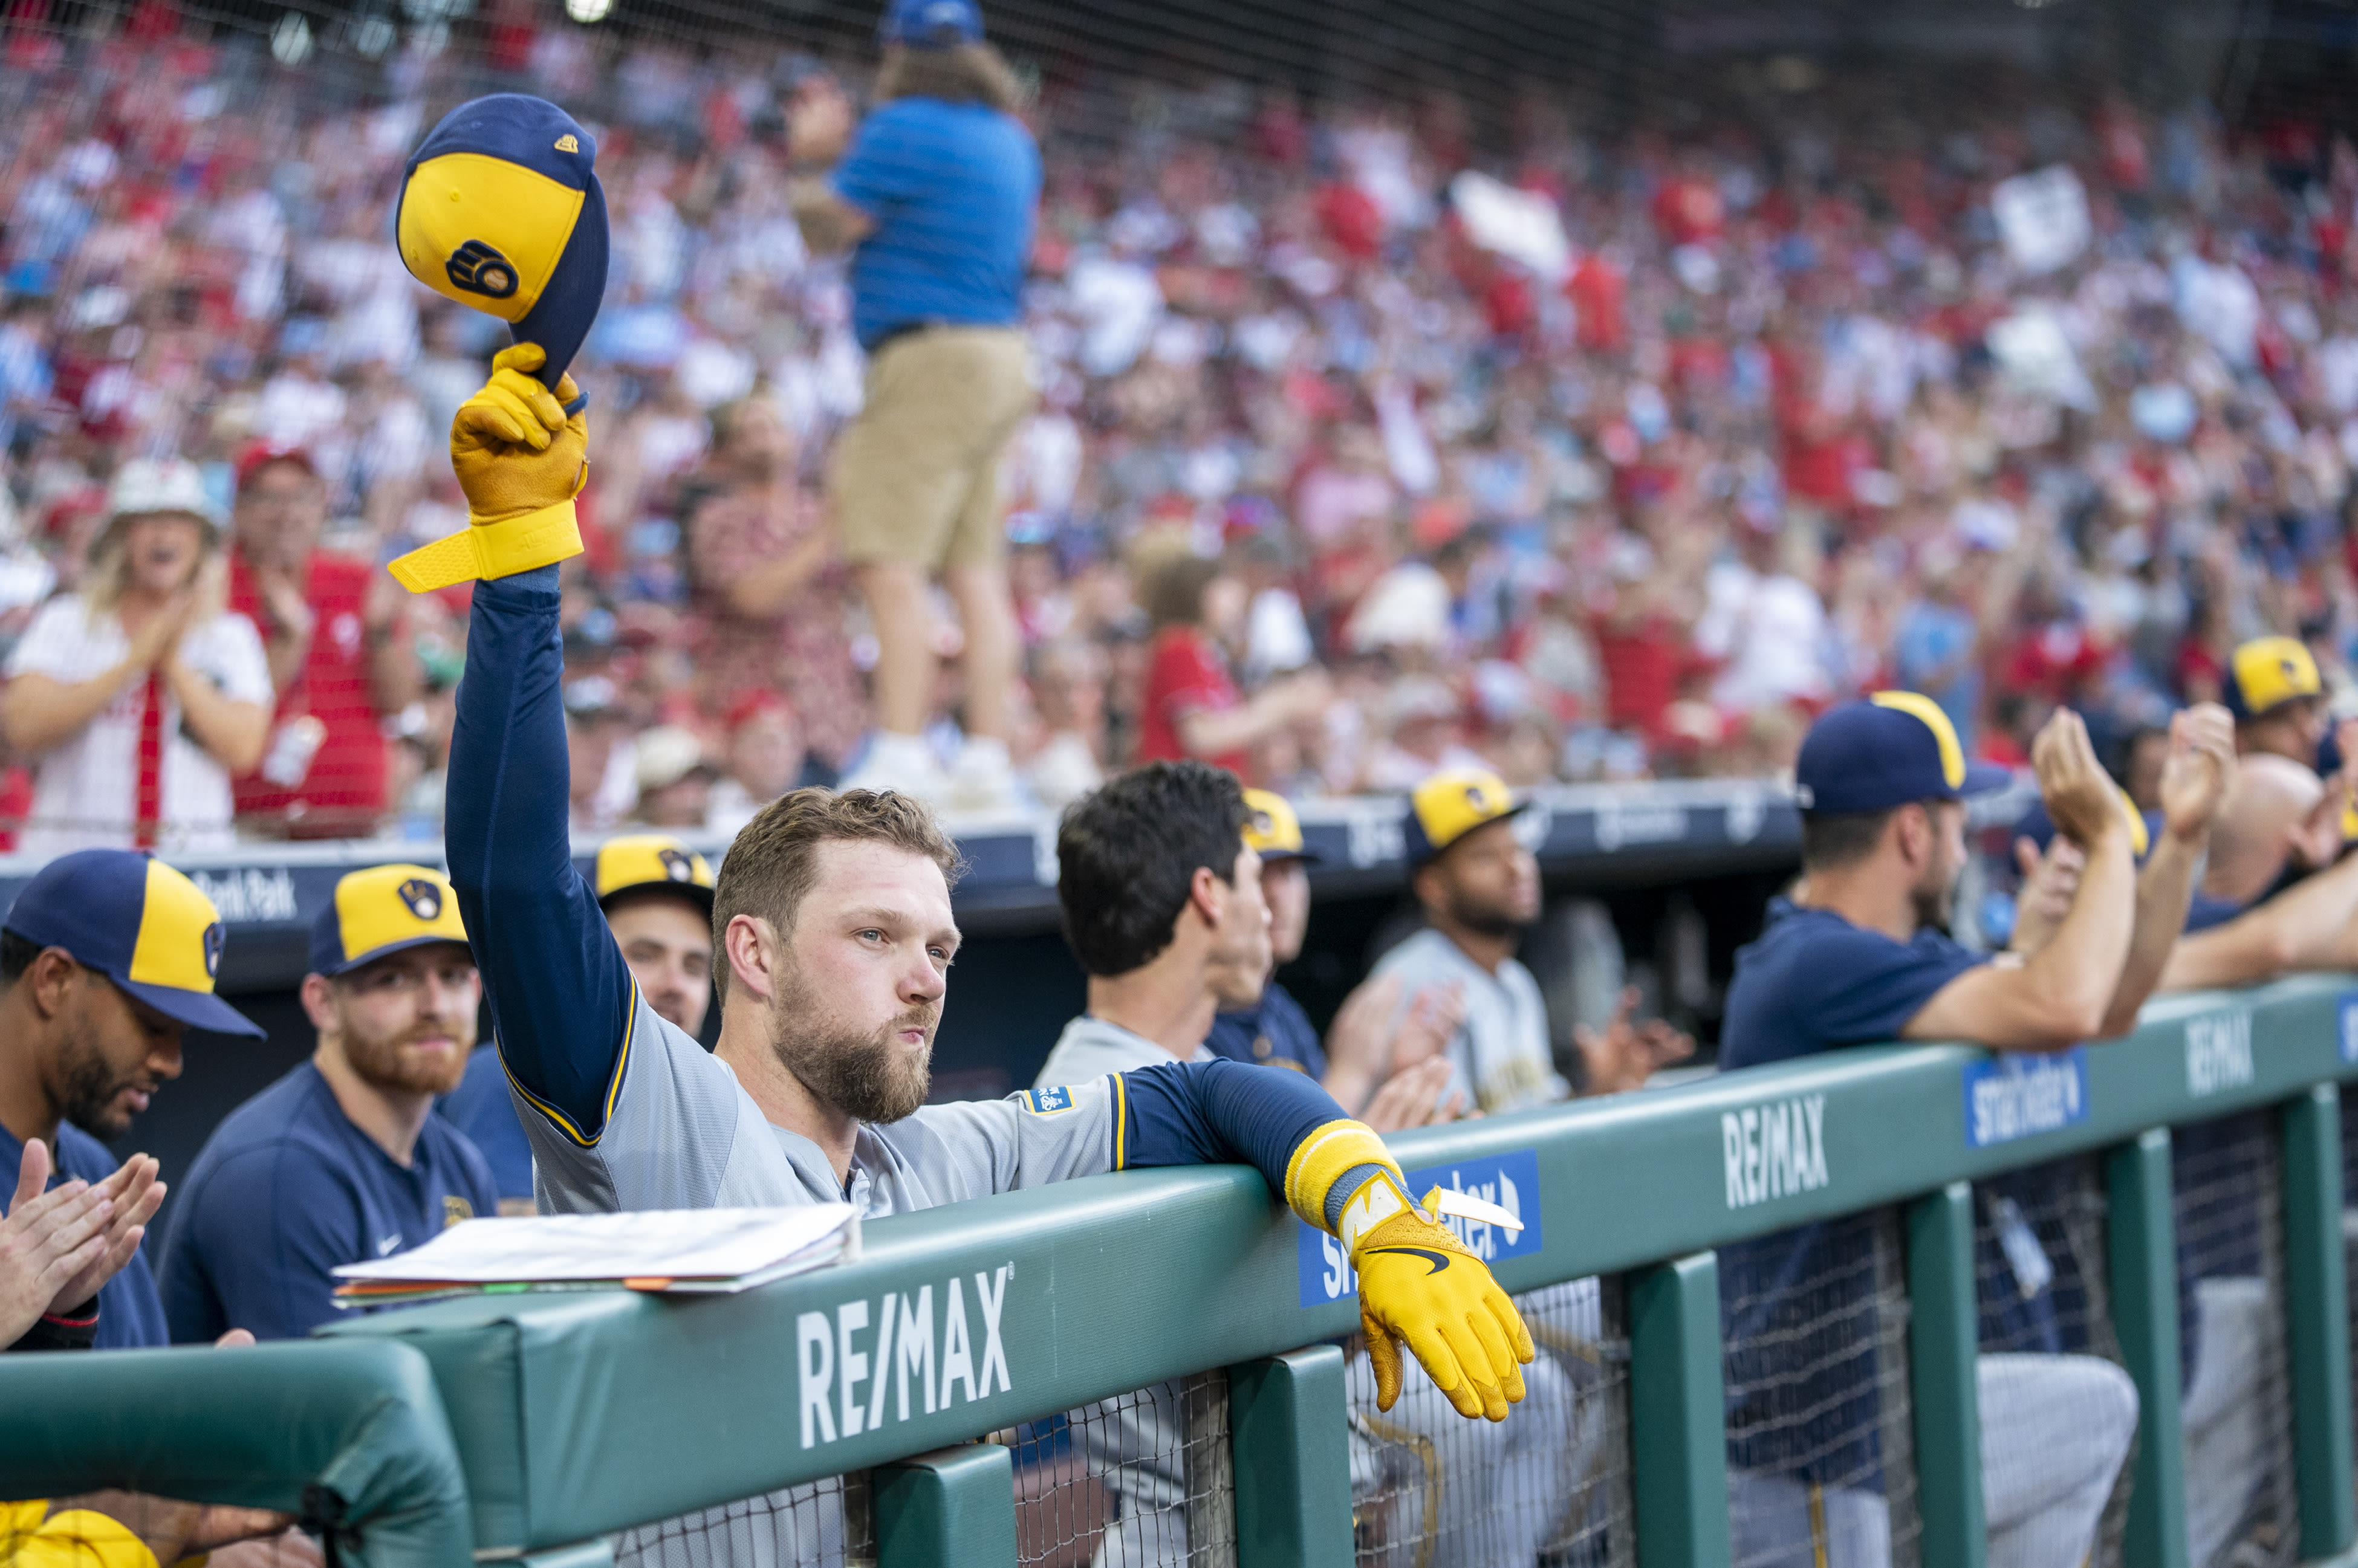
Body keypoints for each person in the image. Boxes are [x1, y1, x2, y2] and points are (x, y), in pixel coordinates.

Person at [427, 352, 1530, 1519]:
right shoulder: (661, 1118)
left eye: (942, 950)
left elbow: (1206, 1095)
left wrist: (1380, 1215)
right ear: (752, 954)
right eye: (876, 934)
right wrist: (519, 559)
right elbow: (512, 880)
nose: (923, 978)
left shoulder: (941, 1155)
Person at [1032, 765, 1577, 1568]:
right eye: (1259, 876)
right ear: (1212, 895)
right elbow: (1224, 1352)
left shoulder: (1193, 1078)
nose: (1273, 905)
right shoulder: (1097, 1102)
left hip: (1264, 1511)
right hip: (1197, 1534)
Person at [1715, 693, 2208, 1567]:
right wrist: (2103, 840)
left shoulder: (1888, 952)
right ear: (1913, 831)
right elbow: (2066, 1000)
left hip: (1858, 1414)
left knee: (2089, 1410)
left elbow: (2112, 1001)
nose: (1963, 841)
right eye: (1955, 818)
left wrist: (2175, 843)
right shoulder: (1815, 958)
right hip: (1796, 1446)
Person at [785, 0, 1041, 810]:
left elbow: (828, 230)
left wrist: (810, 159)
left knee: (887, 559)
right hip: (1000, 354)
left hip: (930, 357)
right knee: (974, 568)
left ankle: (901, 751)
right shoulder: (1009, 133)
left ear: (896, 51)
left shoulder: (902, 125)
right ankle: (986, 757)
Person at [158, 864, 493, 1343]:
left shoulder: (461, 1164)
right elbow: (325, 1409)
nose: (435, 1005)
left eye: (454, 976)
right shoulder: (280, 1170)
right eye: (395, 980)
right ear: (323, 1004)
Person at [0, 848, 264, 1347]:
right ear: (54, 980)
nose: (171, 1062)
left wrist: (182, 1414)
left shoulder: (96, 1169)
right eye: (153, 1026)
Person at [1371, 767, 1694, 1113]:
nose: (1516, 868)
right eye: (1485, 856)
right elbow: (1452, 1149)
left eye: (1518, 848)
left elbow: (1533, 1130)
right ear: (1432, 886)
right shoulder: (1411, 985)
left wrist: (1600, 1092)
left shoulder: (1516, 981)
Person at [1, 459, 272, 857]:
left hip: (192, 865)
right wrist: (132, 661)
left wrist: (173, 664)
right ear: (120, 538)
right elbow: (23, 727)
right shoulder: (65, 621)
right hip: (75, 860)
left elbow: (244, 749)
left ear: (201, 541)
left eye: (180, 521)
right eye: (148, 520)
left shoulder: (230, 635)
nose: (164, 533)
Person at [440, 834, 718, 1214]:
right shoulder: (505, 1073)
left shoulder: (715, 1095)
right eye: (644, 955)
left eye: (694, 967)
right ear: (578, 959)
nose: (675, 985)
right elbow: (509, 1239)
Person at [1204, 789, 1467, 1131]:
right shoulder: (1198, 1023)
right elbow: (1293, 1170)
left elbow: (1340, 1148)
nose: (1276, 896)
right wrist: (1351, 1074)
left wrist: (1395, 1075)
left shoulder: (1281, 1011)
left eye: (1288, 874)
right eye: (1259, 875)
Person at [226, 441, 418, 838]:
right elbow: (225, 716)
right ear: (240, 509)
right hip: (254, 829)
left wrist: (381, 633)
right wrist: (288, 641)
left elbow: (399, 703)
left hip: (355, 825)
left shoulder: (355, 580)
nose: (287, 514)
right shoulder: (216, 588)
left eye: (301, 497)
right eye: (269, 498)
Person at [685, 397, 863, 779]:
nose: (765, 439)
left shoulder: (817, 510)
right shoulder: (718, 518)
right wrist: (827, 534)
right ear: (728, 450)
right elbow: (754, 598)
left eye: (773, 427)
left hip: (829, 717)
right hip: (755, 719)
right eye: (750, 431)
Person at [1133, 554, 1328, 777]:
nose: (1239, 597)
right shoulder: (1179, 647)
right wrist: (1282, 707)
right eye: (1226, 589)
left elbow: (1226, 723)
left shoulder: (1206, 651)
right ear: (1199, 594)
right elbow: (1201, 737)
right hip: (1182, 794)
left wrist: (1281, 700)